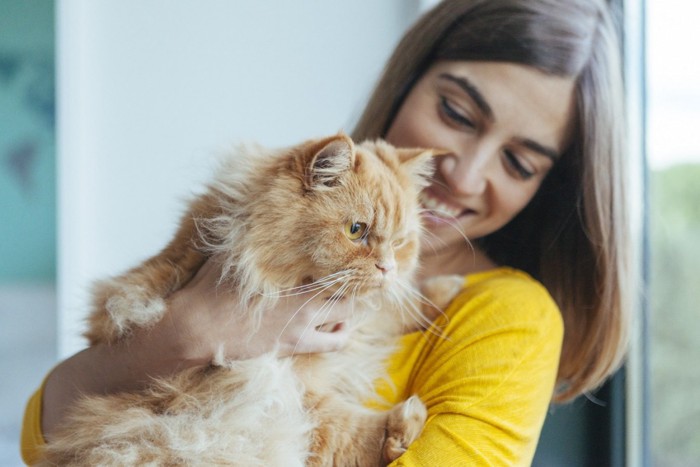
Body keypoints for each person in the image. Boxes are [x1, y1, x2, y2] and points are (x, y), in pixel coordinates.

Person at [22, 0, 631, 464]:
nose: (463, 175)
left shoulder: (512, 317)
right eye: (457, 113)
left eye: (519, 163)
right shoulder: (289, 206)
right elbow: (44, 426)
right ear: (408, 77)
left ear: (547, 188)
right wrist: (192, 329)